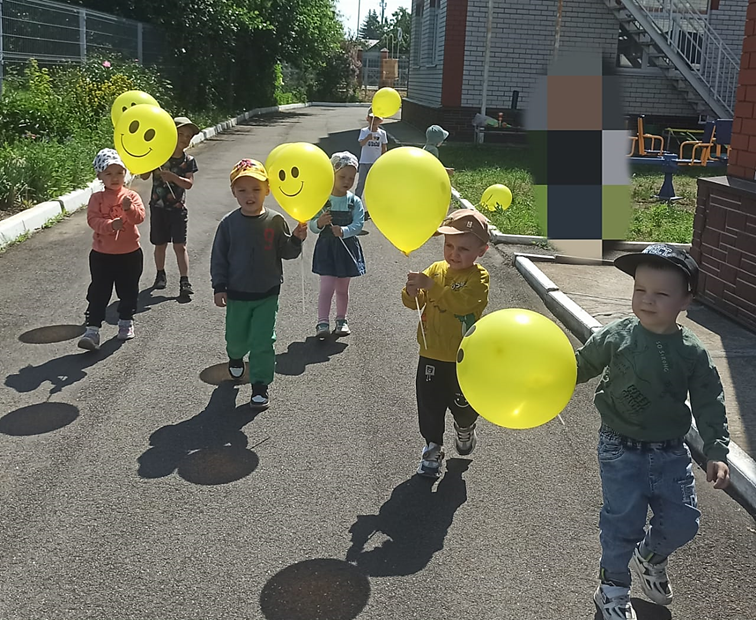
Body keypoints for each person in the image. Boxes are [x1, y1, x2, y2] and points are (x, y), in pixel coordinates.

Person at [575, 244, 730, 620]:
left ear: (686, 300)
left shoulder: (691, 352)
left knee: (683, 522)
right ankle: (612, 588)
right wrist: (544, 381)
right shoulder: (617, 335)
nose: (647, 300)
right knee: (622, 523)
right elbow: (580, 365)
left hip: (669, 451)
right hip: (618, 446)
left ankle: (650, 555)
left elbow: (709, 400)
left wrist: (716, 450)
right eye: (640, 290)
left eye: (661, 294)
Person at [210, 159, 307, 410]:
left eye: (256, 189)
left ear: (267, 190)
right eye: (242, 190)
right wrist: (219, 286)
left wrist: (296, 239)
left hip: (267, 293)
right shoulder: (229, 224)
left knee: (263, 341)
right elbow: (219, 257)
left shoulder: (275, 220)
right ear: (234, 192)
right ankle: (235, 357)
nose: (249, 195)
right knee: (236, 338)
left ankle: (260, 386)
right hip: (237, 294)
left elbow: (286, 252)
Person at [401, 209, 491, 478]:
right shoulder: (436, 270)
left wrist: (432, 287)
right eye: (449, 245)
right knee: (429, 404)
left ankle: (465, 426)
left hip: (462, 357)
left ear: (481, 251)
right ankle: (432, 446)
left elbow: (462, 304)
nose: (454, 253)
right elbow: (414, 303)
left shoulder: (478, 278)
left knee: (463, 404)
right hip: (430, 353)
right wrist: (411, 291)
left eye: (463, 248)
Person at [78, 149, 146, 351]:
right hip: (102, 255)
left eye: (119, 173)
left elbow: (139, 218)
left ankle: (126, 321)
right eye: (108, 173)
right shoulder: (97, 198)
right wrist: (110, 225)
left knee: (128, 289)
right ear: (100, 176)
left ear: (125, 174)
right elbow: (93, 220)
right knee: (99, 291)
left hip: (130, 254)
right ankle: (92, 330)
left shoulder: (131, 195)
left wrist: (129, 209)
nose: (115, 178)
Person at [309, 151, 366, 340]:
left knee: (342, 288)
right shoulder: (322, 200)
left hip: (346, 248)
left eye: (351, 178)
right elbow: (312, 224)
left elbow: (358, 224)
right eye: (342, 177)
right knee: (326, 287)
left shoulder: (354, 201)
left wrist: (344, 230)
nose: (347, 181)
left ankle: (341, 319)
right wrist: (319, 223)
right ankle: (322, 322)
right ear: (332, 175)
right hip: (327, 249)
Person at [141, 116, 200, 298]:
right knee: (160, 244)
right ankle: (160, 274)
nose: (185, 139)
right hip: (158, 208)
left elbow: (189, 184)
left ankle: (184, 280)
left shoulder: (188, 160)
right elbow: (144, 176)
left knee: (180, 246)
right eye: (181, 134)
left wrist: (173, 178)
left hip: (178, 209)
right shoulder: (159, 156)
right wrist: (149, 161)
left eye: (188, 136)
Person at [354, 109, 388, 220]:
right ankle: (355, 205)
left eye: (377, 119)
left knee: (374, 186)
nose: (374, 121)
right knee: (361, 184)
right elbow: (361, 143)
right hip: (364, 161)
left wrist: (383, 160)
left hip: (375, 163)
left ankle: (374, 207)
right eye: (372, 118)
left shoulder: (382, 133)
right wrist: (367, 138)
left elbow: (384, 147)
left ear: (381, 121)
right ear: (367, 119)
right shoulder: (364, 131)